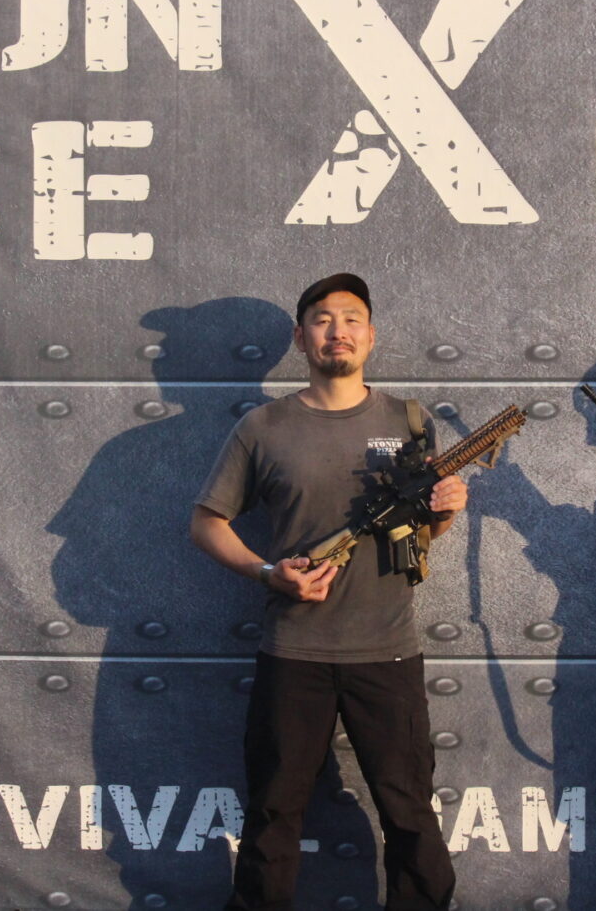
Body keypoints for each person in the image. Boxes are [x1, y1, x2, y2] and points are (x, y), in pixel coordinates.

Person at [190, 272, 464, 911]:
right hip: (293, 653)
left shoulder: (410, 421)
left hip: (388, 652)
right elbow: (206, 523)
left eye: (350, 319)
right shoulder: (264, 427)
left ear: (371, 336)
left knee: (410, 815)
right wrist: (268, 573)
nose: (337, 330)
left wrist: (446, 511)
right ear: (300, 338)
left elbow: (421, 538)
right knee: (273, 815)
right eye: (321, 319)